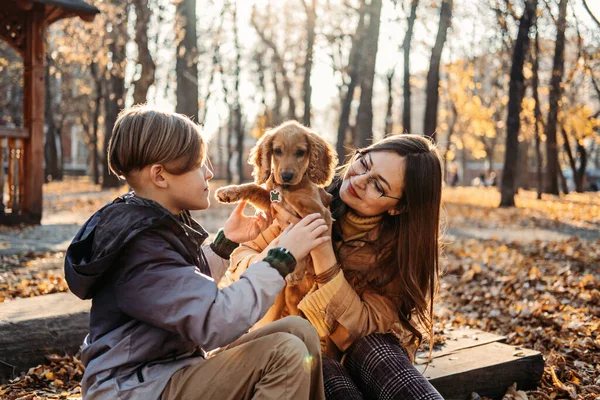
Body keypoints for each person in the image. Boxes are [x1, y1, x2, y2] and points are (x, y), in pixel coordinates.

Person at [64, 105, 329, 400]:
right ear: (160, 176)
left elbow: (183, 289)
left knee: (297, 332)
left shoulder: (151, 222)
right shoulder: (139, 248)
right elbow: (214, 322)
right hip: (134, 389)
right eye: (199, 163)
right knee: (285, 352)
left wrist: (224, 244)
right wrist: (280, 259)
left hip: (167, 371)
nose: (210, 173)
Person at [225, 134, 444, 399]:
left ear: (399, 208)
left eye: (378, 185)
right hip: (291, 344)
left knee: (375, 348)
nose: (359, 180)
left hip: (360, 351)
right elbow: (241, 257)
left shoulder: (398, 252)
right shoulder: (305, 199)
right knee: (319, 366)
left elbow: (359, 333)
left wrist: (321, 246)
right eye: (364, 163)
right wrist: (275, 260)